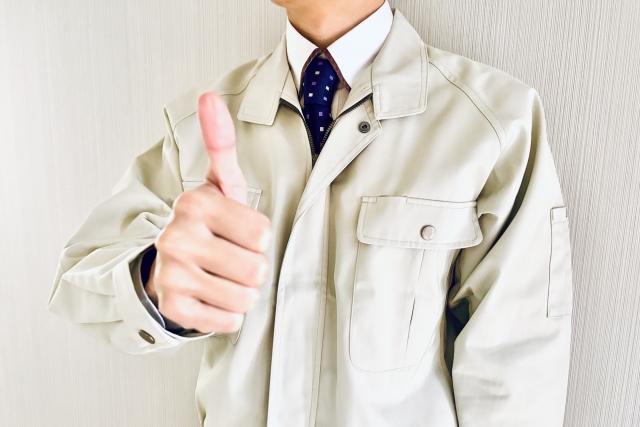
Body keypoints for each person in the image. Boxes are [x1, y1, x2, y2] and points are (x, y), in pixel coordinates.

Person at [47, 0, 574, 426]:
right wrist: (153, 280)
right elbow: (78, 280)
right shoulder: (198, 126)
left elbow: (516, 374)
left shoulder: (493, 126)